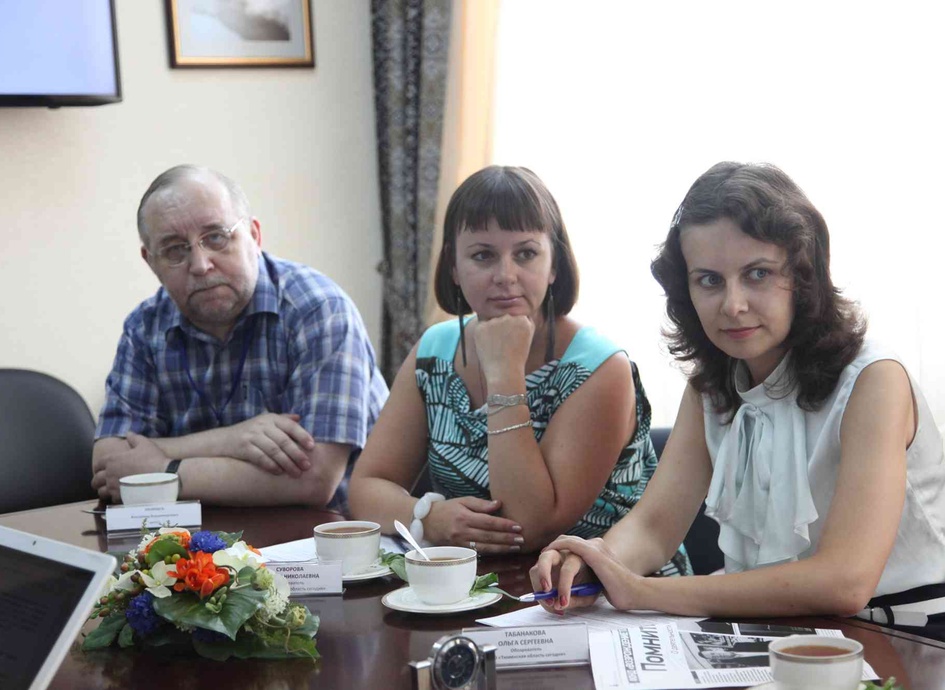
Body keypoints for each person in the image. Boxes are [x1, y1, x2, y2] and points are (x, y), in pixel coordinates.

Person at [531, 162, 945, 635]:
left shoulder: (874, 379)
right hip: (776, 629)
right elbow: (652, 529)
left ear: (803, 275)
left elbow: (844, 583)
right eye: (709, 280)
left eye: (758, 274)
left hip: (902, 635)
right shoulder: (711, 385)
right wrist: (592, 560)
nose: (733, 305)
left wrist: (641, 591)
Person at [349, 165, 690, 574]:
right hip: (478, 585)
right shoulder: (434, 351)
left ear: (554, 265)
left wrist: (504, 373)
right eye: (483, 256)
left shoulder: (600, 368)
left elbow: (527, 526)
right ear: (454, 267)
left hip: (608, 590)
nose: (505, 276)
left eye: (526, 254)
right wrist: (427, 516)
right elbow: (365, 489)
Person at [91, 165, 388, 509]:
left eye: (216, 237)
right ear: (151, 262)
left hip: (327, 532)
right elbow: (109, 463)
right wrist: (230, 439)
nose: (200, 264)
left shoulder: (318, 308)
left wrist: (163, 468)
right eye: (174, 250)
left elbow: (315, 480)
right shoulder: (145, 327)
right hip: (200, 534)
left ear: (254, 236)